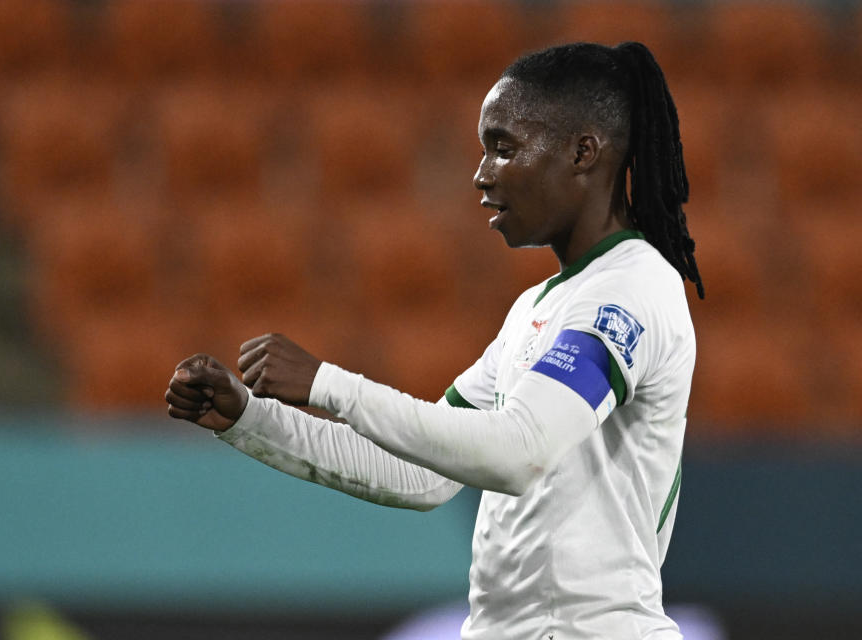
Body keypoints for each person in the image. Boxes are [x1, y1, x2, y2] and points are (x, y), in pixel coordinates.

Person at [165, 41, 703, 640]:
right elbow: (422, 476)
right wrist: (251, 419)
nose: (481, 173)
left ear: (583, 152)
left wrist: (329, 383)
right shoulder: (539, 307)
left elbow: (520, 452)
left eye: (504, 148)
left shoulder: (629, 291)